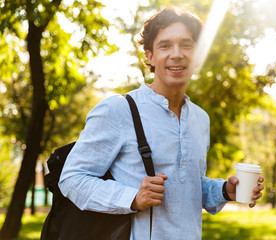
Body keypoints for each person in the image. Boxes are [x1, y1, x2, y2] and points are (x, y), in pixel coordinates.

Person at [59, 6, 264, 240]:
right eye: (165, 46)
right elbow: (72, 179)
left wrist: (225, 191)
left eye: (186, 45)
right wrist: (133, 197)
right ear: (150, 56)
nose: (176, 54)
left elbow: (188, 190)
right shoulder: (118, 110)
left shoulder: (200, 119)